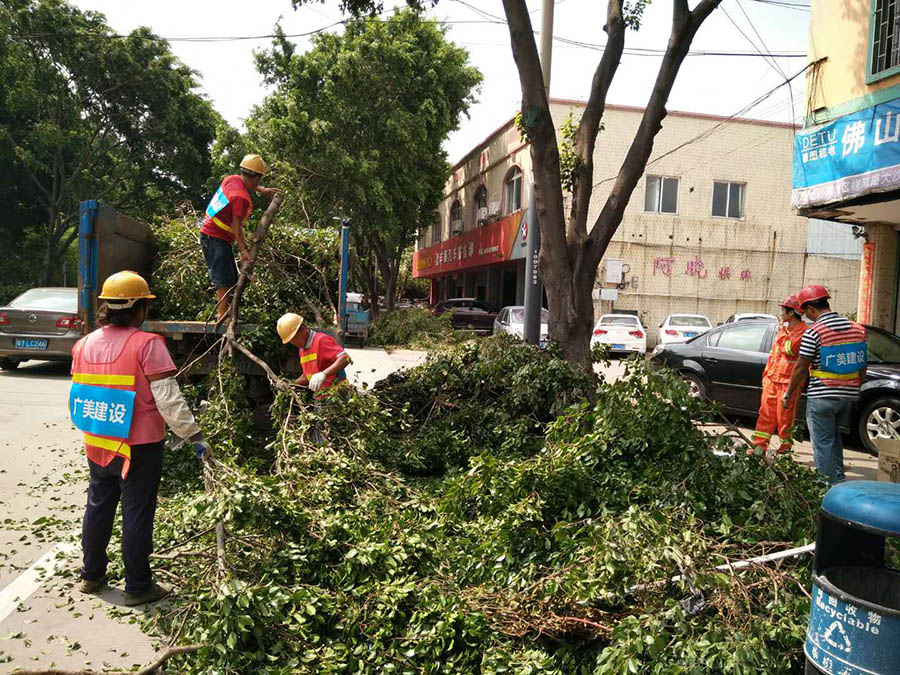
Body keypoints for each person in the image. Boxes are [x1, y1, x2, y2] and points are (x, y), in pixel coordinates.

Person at [70, 271, 209, 605]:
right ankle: (138, 585)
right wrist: (194, 435)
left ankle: (91, 575)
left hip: (99, 442)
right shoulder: (148, 345)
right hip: (138, 446)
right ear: (138, 308)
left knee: (98, 506)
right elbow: (169, 400)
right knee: (136, 512)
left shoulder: (83, 343)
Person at [783, 284, 867, 484]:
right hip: (848, 397)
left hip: (822, 396)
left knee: (822, 443)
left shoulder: (814, 332)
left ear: (811, 308)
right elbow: (862, 364)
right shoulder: (857, 329)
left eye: (806, 312)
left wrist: (788, 393)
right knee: (834, 437)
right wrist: (855, 387)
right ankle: (838, 478)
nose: (807, 316)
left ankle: (826, 488)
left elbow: (801, 368)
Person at [200, 154, 280, 321]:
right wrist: (244, 251)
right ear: (256, 177)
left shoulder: (232, 179)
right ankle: (222, 315)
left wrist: (262, 190)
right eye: (259, 180)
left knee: (231, 277)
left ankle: (229, 312)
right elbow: (237, 225)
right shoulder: (240, 198)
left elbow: (246, 183)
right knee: (223, 277)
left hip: (214, 235)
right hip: (214, 237)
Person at [749, 295, 808, 456]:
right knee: (765, 414)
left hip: (789, 382)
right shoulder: (785, 330)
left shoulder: (803, 332)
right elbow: (774, 355)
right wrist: (766, 376)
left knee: (785, 418)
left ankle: (785, 449)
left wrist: (782, 330)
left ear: (792, 313)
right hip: (772, 379)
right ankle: (759, 447)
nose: (781, 313)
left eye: (783, 310)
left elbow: (789, 349)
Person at [276, 313, 351, 397]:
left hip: (337, 395)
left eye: (294, 338)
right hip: (321, 397)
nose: (293, 343)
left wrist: (324, 374)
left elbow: (345, 358)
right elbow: (307, 376)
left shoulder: (321, 340)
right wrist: (291, 384)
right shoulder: (302, 350)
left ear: (303, 328)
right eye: (290, 341)